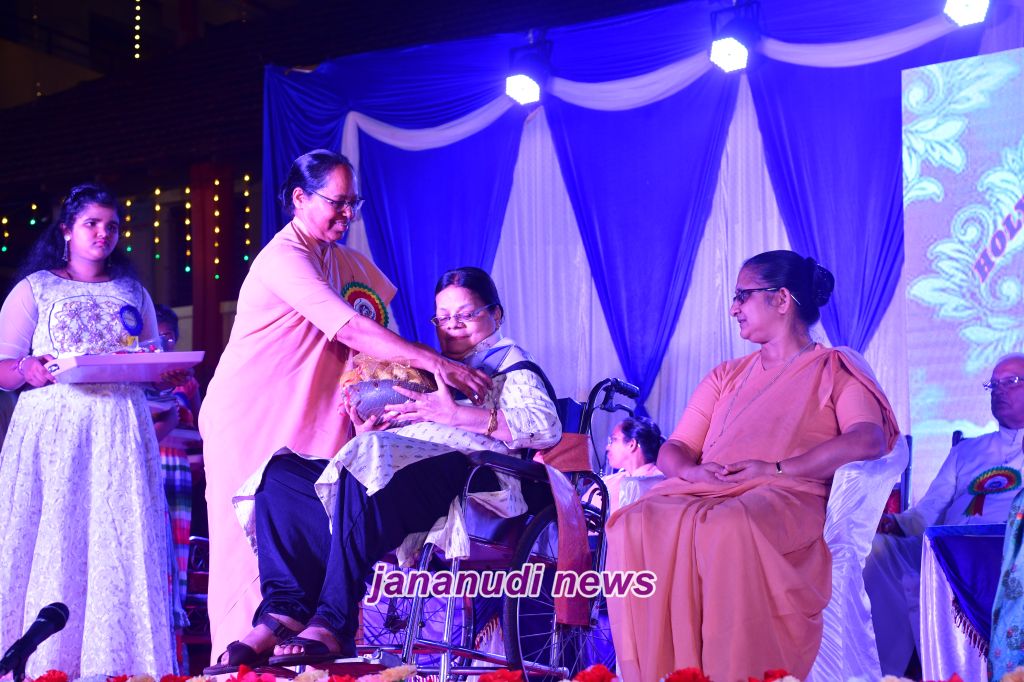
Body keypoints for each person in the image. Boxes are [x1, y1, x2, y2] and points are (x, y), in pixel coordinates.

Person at [199, 151, 490, 665]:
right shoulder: (283, 258)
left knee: (322, 511)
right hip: (254, 414)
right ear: (299, 198)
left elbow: (381, 355)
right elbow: (354, 329)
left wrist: (399, 397)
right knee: (252, 536)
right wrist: (438, 364)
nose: (348, 214)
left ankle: (307, 641)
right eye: (337, 202)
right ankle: (244, 657)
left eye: (354, 203)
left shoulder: (348, 264)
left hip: (322, 416)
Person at [205, 266, 561, 670]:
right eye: (443, 317)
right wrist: (365, 432)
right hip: (403, 469)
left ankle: (333, 622)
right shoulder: (430, 370)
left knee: (366, 459)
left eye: (465, 314)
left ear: (495, 314)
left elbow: (545, 427)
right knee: (281, 478)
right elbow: (396, 442)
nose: (453, 326)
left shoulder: (511, 364)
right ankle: (283, 612)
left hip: (468, 478)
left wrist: (455, 415)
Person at [605, 250, 900, 682]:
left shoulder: (834, 368)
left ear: (781, 299)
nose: (733, 308)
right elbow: (676, 448)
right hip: (706, 489)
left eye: (743, 295)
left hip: (787, 495)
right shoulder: (725, 375)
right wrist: (692, 472)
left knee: (724, 527)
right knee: (632, 523)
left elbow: (867, 438)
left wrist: (776, 469)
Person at [0, 184, 174, 677]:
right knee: (59, 535)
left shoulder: (132, 291)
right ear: (66, 231)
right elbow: (3, 367)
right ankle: (43, 662)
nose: (103, 233)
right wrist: (27, 369)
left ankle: (118, 664)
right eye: (91, 224)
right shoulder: (35, 288)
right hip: (56, 432)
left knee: (117, 538)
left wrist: (169, 374)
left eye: (111, 225)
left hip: (118, 429)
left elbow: (150, 361)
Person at [868, 353, 1024, 676]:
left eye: (1010, 382)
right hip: (945, 551)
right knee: (877, 550)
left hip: (1008, 550)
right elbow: (930, 508)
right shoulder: (966, 450)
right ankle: (886, 668)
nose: (998, 391)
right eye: (993, 385)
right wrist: (897, 523)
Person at [601, 416, 664, 513]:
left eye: (613, 440)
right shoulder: (608, 481)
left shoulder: (658, 484)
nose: (607, 447)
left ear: (631, 444)